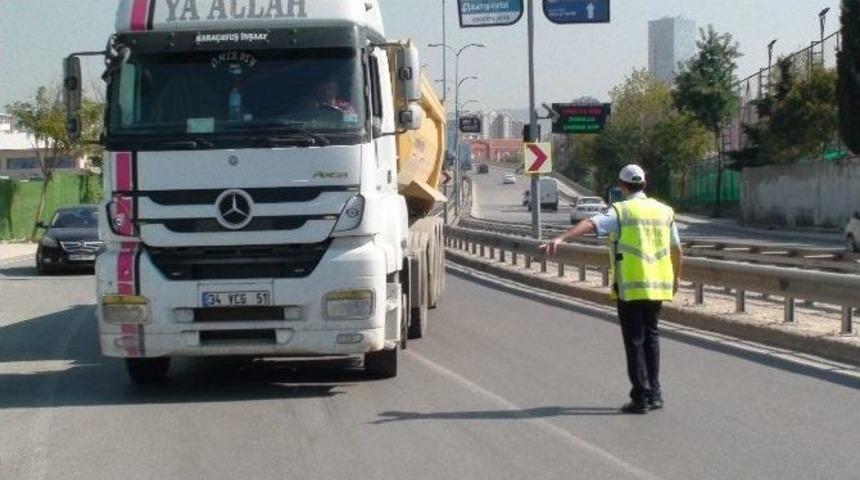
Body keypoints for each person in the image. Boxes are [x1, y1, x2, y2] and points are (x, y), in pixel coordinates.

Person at [541, 165, 683, 414]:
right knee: (652, 337)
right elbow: (677, 250)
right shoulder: (664, 211)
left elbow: (591, 223)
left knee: (635, 341)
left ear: (622, 186)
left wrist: (562, 238)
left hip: (631, 285)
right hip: (659, 285)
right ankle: (656, 393)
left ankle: (641, 396)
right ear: (644, 184)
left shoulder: (621, 210)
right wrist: (676, 278)